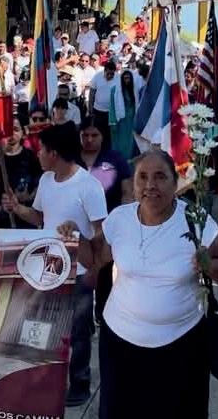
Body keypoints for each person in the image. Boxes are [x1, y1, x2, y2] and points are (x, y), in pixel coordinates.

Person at [68, 149, 218, 418]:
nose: (150, 185)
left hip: (180, 346)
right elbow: (96, 262)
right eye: (142, 177)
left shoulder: (195, 219)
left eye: (160, 176)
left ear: (175, 182)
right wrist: (74, 238)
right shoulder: (119, 219)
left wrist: (209, 266)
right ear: (133, 182)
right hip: (120, 345)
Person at [2, 122, 108, 406]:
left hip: (79, 270)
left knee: (79, 333)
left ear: (54, 153)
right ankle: (46, 380)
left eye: (41, 149)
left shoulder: (89, 186)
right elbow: (39, 217)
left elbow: (102, 233)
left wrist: (80, 234)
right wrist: (17, 208)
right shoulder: (47, 181)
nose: (37, 154)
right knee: (45, 328)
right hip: (46, 268)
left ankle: (80, 383)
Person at [77, 117, 133, 324]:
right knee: (80, 272)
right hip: (77, 229)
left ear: (103, 136)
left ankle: (103, 315)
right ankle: (82, 320)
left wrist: (123, 221)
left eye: (95, 135)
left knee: (104, 270)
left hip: (107, 227)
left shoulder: (115, 159)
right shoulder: (72, 159)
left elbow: (127, 192)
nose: (89, 139)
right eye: (85, 135)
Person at [0, 118, 42, 229]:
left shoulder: (31, 157)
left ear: (23, 133)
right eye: (8, 130)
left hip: (25, 216)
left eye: (16, 130)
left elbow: (39, 186)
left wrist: (27, 197)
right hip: (1, 217)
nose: (11, 134)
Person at [89, 60, 121, 149]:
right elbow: (92, 93)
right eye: (108, 73)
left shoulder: (118, 78)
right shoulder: (97, 76)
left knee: (109, 134)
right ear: (105, 70)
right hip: (98, 110)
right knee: (98, 132)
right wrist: (90, 108)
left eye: (112, 74)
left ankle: (108, 151)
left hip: (111, 112)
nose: (110, 76)